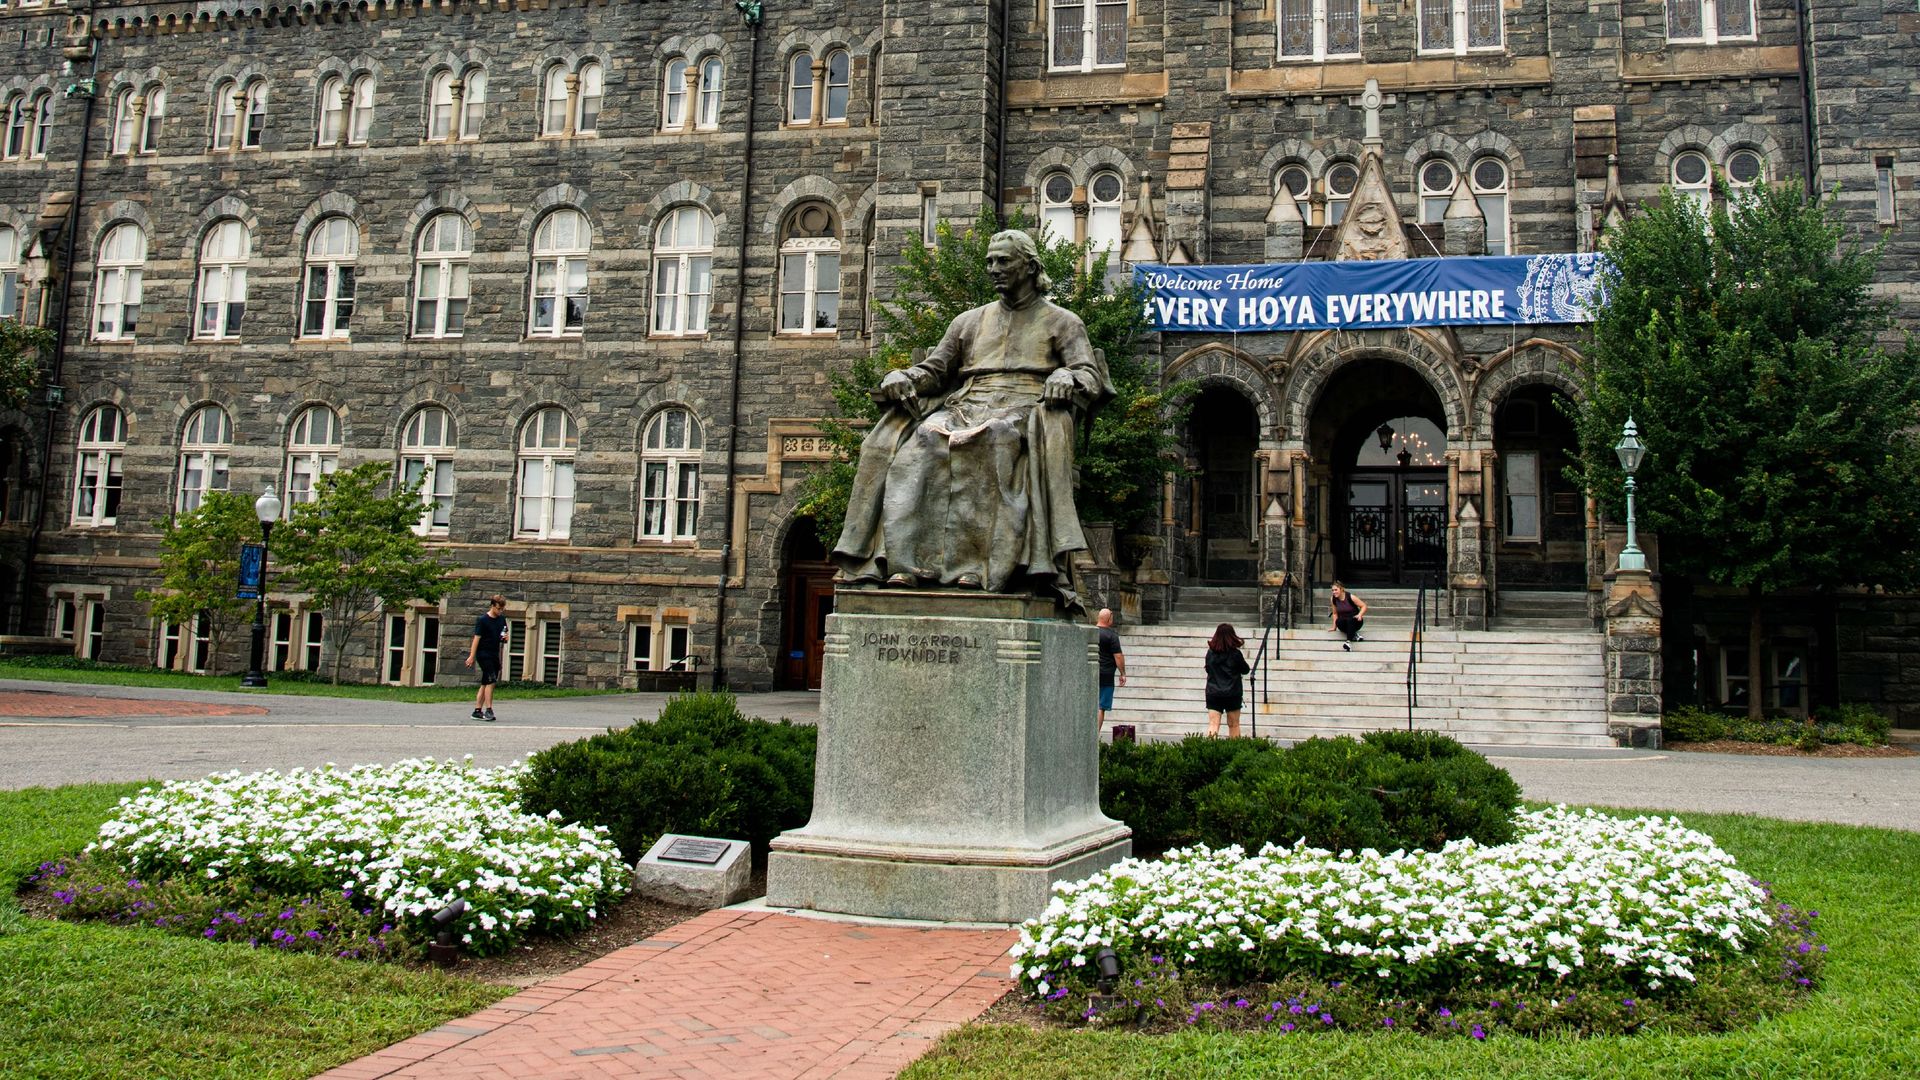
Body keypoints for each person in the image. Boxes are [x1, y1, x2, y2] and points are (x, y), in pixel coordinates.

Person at [832, 229, 1114, 605]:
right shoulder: (968, 321)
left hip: (1025, 406)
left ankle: (981, 567)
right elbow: (934, 370)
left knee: (994, 436)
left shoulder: (1062, 321)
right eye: (989, 262)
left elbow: (1090, 375)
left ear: (1029, 266)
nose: (994, 269)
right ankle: (910, 563)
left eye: (1003, 261)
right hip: (966, 403)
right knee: (925, 439)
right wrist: (901, 376)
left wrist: (1066, 375)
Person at [465, 594, 509, 721]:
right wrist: (472, 656)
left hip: (494, 653)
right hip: (483, 653)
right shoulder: (482, 620)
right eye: (498, 609)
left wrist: (505, 638)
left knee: (485, 682)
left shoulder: (502, 619)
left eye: (502, 609)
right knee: (491, 680)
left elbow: (503, 636)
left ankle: (477, 711)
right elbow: (476, 639)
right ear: (492, 606)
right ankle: (489, 710)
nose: (500, 611)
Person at [1204, 623, 1251, 738]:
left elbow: (1208, 669)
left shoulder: (1210, 653)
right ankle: (1235, 752)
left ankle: (1210, 751)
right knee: (1234, 724)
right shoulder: (1235, 654)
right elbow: (1245, 670)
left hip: (1213, 692)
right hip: (1232, 692)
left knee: (1213, 724)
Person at [1095, 608, 1125, 728]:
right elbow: (1118, 656)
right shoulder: (1111, 636)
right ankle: (1094, 737)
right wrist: (1123, 673)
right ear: (1109, 619)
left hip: (1090, 672)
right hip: (1106, 675)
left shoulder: (1090, 632)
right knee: (1100, 707)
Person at [1330, 581, 1367, 651]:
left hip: (1356, 620)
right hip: (1344, 622)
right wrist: (1334, 627)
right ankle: (1354, 635)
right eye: (1332, 590)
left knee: (1350, 620)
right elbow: (1335, 613)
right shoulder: (1333, 599)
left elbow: (1364, 606)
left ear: (1341, 589)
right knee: (1339, 621)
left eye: (1336, 590)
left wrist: (1360, 615)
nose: (1334, 592)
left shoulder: (1350, 597)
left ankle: (1348, 643)